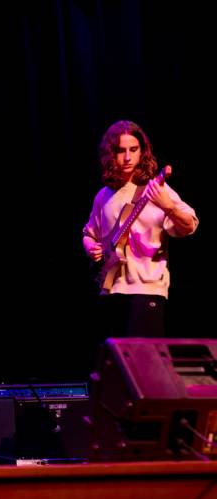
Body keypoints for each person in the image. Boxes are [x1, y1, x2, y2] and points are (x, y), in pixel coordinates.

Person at [83, 120, 198, 339]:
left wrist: (169, 207)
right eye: (120, 151)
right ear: (110, 154)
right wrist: (90, 246)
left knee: (144, 361)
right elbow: (89, 233)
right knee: (114, 363)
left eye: (133, 150)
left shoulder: (157, 189)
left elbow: (190, 225)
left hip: (147, 290)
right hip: (111, 289)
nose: (127, 158)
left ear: (142, 152)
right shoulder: (103, 195)